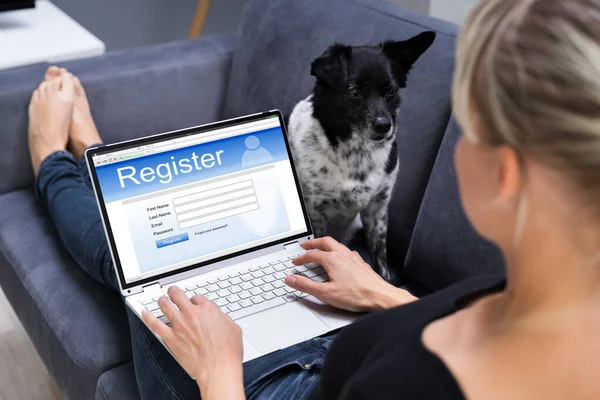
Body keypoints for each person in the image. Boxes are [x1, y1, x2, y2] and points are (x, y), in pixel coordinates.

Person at [28, 0, 600, 398]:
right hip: (332, 328)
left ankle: (61, 156)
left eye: (467, 130)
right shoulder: (540, 300)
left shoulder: (406, 386)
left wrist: (218, 372)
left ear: (503, 173)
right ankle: (96, 161)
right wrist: (386, 296)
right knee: (193, 248)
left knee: (137, 266)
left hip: (257, 381)